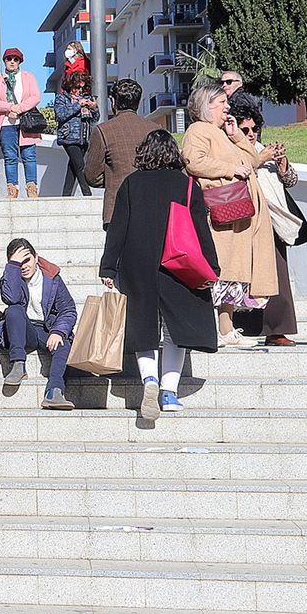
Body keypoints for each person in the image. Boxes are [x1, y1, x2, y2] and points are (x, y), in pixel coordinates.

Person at [100, 130, 220, 420]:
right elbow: (200, 229)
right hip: (177, 262)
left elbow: (118, 227)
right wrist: (212, 266)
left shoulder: (130, 184)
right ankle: (168, 391)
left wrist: (108, 266)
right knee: (175, 327)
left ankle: (149, 380)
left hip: (136, 261)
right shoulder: (187, 185)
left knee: (143, 325)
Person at [183, 82, 277, 348]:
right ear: (206, 106)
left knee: (233, 272)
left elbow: (251, 163)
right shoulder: (198, 130)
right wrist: (229, 168)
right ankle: (222, 329)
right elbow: (193, 161)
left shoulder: (221, 132)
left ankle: (227, 328)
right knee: (224, 270)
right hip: (223, 212)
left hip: (238, 214)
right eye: (221, 103)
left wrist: (236, 136)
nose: (227, 108)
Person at [236, 110, 302, 347]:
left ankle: (277, 329)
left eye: (254, 129)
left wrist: (283, 165)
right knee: (247, 277)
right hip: (246, 222)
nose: (251, 134)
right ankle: (244, 326)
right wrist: (260, 159)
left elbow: (290, 182)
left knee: (278, 275)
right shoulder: (234, 150)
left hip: (273, 221)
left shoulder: (265, 149)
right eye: (246, 130)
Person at [0, 238, 78, 410]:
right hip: (23, 330)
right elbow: (11, 298)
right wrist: (13, 267)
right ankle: (18, 364)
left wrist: (58, 331)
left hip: (47, 329)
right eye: (18, 263)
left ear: (36, 258)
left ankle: (54, 392)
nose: (24, 266)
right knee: (13, 310)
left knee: (64, 344)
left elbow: (69, 309)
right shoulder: (10, 277)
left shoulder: (52, 278)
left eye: (27, 260)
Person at [84, 78, 154, 227]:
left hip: (117, 208)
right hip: (151, 206)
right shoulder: (155, 129)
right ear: (138, 102)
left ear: (113, 102)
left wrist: (112, 177)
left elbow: (91, 175)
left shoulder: (103, 131)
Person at [0, 48, 42, 198]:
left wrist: (19, 108)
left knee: (29, 155)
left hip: (26, 121)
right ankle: (12, 188)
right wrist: (10, 107)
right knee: (10, 156)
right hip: (5, 123)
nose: (12, 62)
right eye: (9, 59)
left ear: (20, 61)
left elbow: (36, 96)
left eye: (15, 59)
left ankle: (31, 187)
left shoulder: (28, 77)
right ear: (4, 60)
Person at [55, 72, 98, 197]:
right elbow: (60, 115)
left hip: (84, 138)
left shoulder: (87, 98)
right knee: (80, 165)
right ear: (70, 85)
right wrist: (77, 105)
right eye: (77, 87)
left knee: (73, 167)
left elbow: (95, 118)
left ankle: (66, 195)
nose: (80, 91)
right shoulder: (62, 98)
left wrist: (94, 108)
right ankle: (87, 193)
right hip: (68, 137)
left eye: (82, 88)